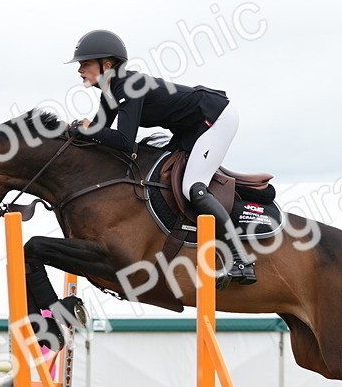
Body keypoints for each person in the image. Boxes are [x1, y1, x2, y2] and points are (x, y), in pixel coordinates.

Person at [67, 29, 254, 284]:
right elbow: (99, 135)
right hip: (189, 127)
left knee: (193, 188)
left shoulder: (129, 87)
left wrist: (89, 130)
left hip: (215, 117)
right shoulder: (110, 91)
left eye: (85, 64)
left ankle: (240, 259)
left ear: (107, 65)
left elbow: (123, 142)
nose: (80, 70)